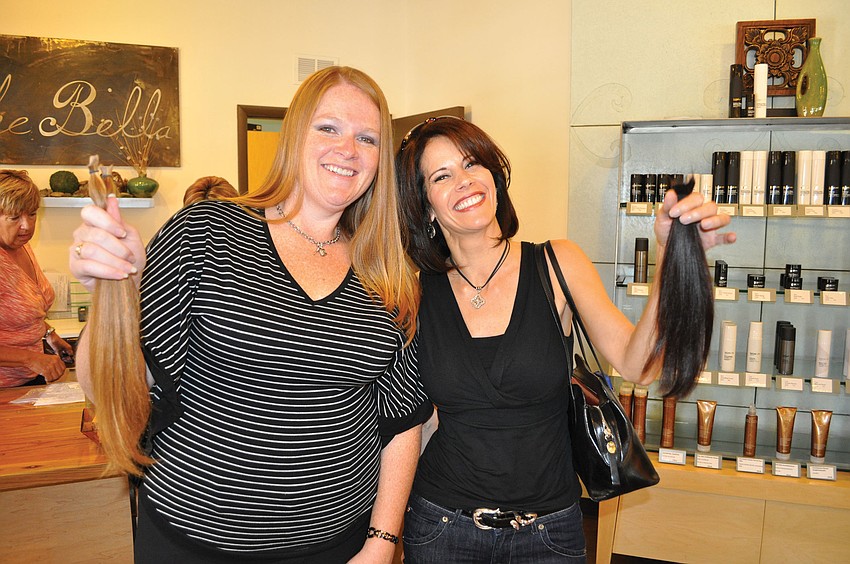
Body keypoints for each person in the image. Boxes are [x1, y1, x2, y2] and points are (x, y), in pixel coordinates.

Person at [69, 66, 432, 563]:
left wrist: (382, 541)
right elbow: (108, 386)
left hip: (336, 547)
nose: (347, 149)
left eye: (366, 138)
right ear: (294, 135)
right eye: (328, 127)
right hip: (194, 543)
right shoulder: (205, 232)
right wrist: (114, 293)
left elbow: (402, 419)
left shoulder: (387, 273)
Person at [394, 116, 736, 563]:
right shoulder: (416, 293)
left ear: (494, 176)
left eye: (472, 163)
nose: (464, 180)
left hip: (547, 533)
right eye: (442, 176)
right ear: (425, 207)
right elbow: (414, 423)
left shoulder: (557, 264)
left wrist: (672, 255)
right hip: (442, 528)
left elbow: (640, 365)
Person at [0, 169, 74, 387]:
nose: (27, 225)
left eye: (32, 214)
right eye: (15, 217)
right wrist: (31, 359)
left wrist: (51, 336)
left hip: (27, 379)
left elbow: (21, 314)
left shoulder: (21, 246)